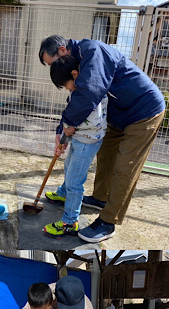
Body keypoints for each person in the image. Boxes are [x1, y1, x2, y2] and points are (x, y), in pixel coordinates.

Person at [39, 35, 166, 243]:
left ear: (62, 50)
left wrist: (67, 127)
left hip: (144, 111)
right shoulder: (76, 63)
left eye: (52, 63)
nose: (53, 69)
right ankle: (100, 198)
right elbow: (75, 100)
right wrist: (61, 128)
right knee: (106, 156)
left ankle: (108, 221)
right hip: (118, 114)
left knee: (125, 167)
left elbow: (90, 92)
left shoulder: (92, 52)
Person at [43, 56, 108, 239]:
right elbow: (69, 117)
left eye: (66, 85)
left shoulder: (92, 93)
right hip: (80, 138)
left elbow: (86, 122)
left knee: (75, 181)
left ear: (75, 74)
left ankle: (70, 222)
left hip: (88, 141)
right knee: (68, 166)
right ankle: (63, 193)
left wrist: (68, 131)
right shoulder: (78, 89)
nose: (67, 88)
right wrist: (64, 138)